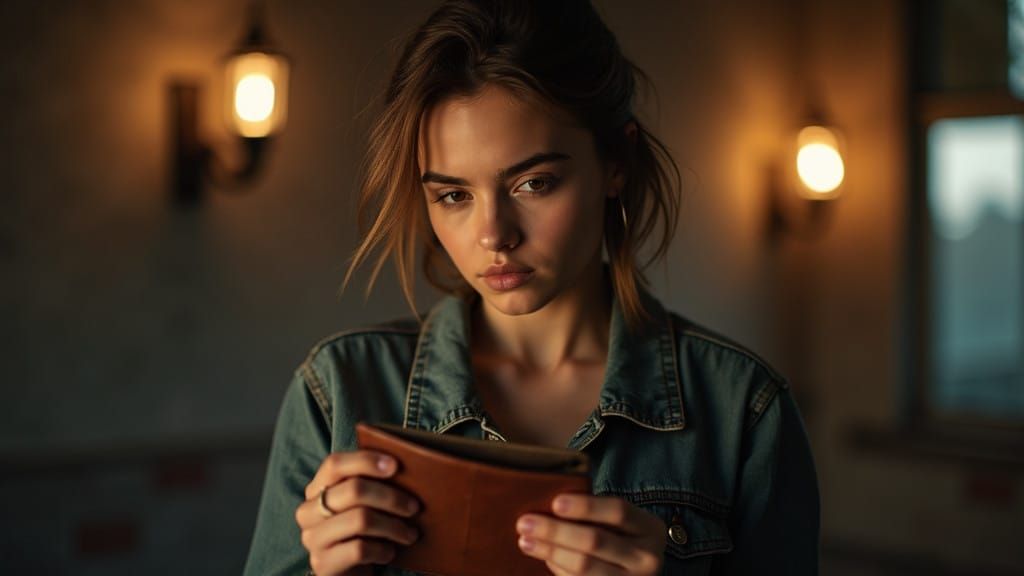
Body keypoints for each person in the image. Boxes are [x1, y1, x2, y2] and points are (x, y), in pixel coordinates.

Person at [243, 0, 820, 574]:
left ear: (616, 161)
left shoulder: (742, 408)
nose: (493, 234)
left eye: (534, 183)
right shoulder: (338, 391)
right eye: (453, 195)